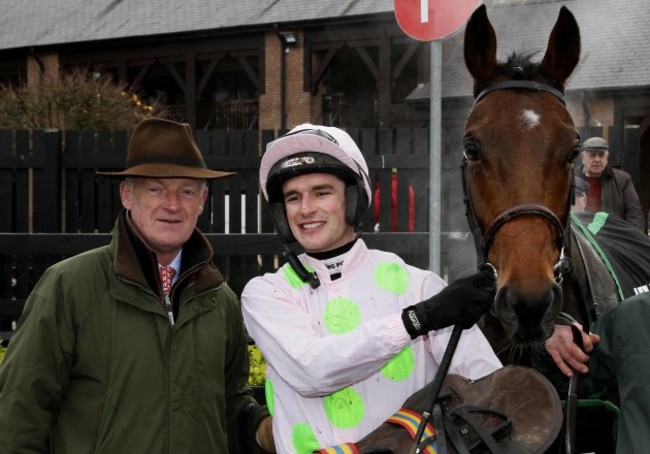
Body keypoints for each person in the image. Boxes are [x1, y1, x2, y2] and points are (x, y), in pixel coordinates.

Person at [0, 118, 274, 453]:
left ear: (201, 202)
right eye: (155, 189)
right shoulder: (68, 288)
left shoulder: (220, 300)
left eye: (186, 191)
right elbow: (17, 418)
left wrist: (268, 429)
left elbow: (230, 407)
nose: (172, 205)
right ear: (127, 195)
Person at [241, 124, 502, 453]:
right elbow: (313, 371)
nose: (305, 209)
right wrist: (416, 322)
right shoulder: (264, 294)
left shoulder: (420, 286)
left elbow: (490, 393)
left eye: (322, 192)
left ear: (353, 200)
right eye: (293, 198)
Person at [577, 136, 645, 232]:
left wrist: (633, 242)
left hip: (612, 237)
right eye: (592, 155)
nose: (597, 159)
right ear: (583, 158)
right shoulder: (572, 179)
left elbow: (634, 215)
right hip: (579, 236)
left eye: (601, 155)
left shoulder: (622, 180)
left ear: (606, 158)